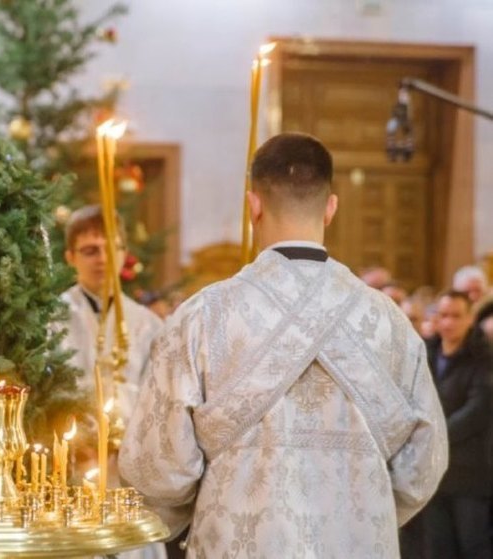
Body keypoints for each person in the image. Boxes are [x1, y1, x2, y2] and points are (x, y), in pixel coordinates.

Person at [118, 132, 448, 558]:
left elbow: (160, 469)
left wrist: (198, 505)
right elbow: (424, 463)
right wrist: (364, 512)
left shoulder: (203, 318)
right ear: (331, 208)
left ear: (253, 204)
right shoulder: (389, 322)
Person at [58, 204, 166, 559]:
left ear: (124, 253)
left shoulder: (147, 325)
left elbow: (159, 399)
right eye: (90, 250)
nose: (102, 259)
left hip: (127, 471)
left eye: (110, 248)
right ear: (70, 256)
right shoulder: (53, 319)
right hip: (71, 469)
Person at [421, 290, 493, 559]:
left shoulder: (483, 357)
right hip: (433, 470)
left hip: (471, 471)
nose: (448, 323)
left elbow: (478, 409)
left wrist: (435, 433)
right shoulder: (426, 353)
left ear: (470, 319)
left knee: (473, 545)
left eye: (456, 316)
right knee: (438, 547)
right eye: (443, 315)